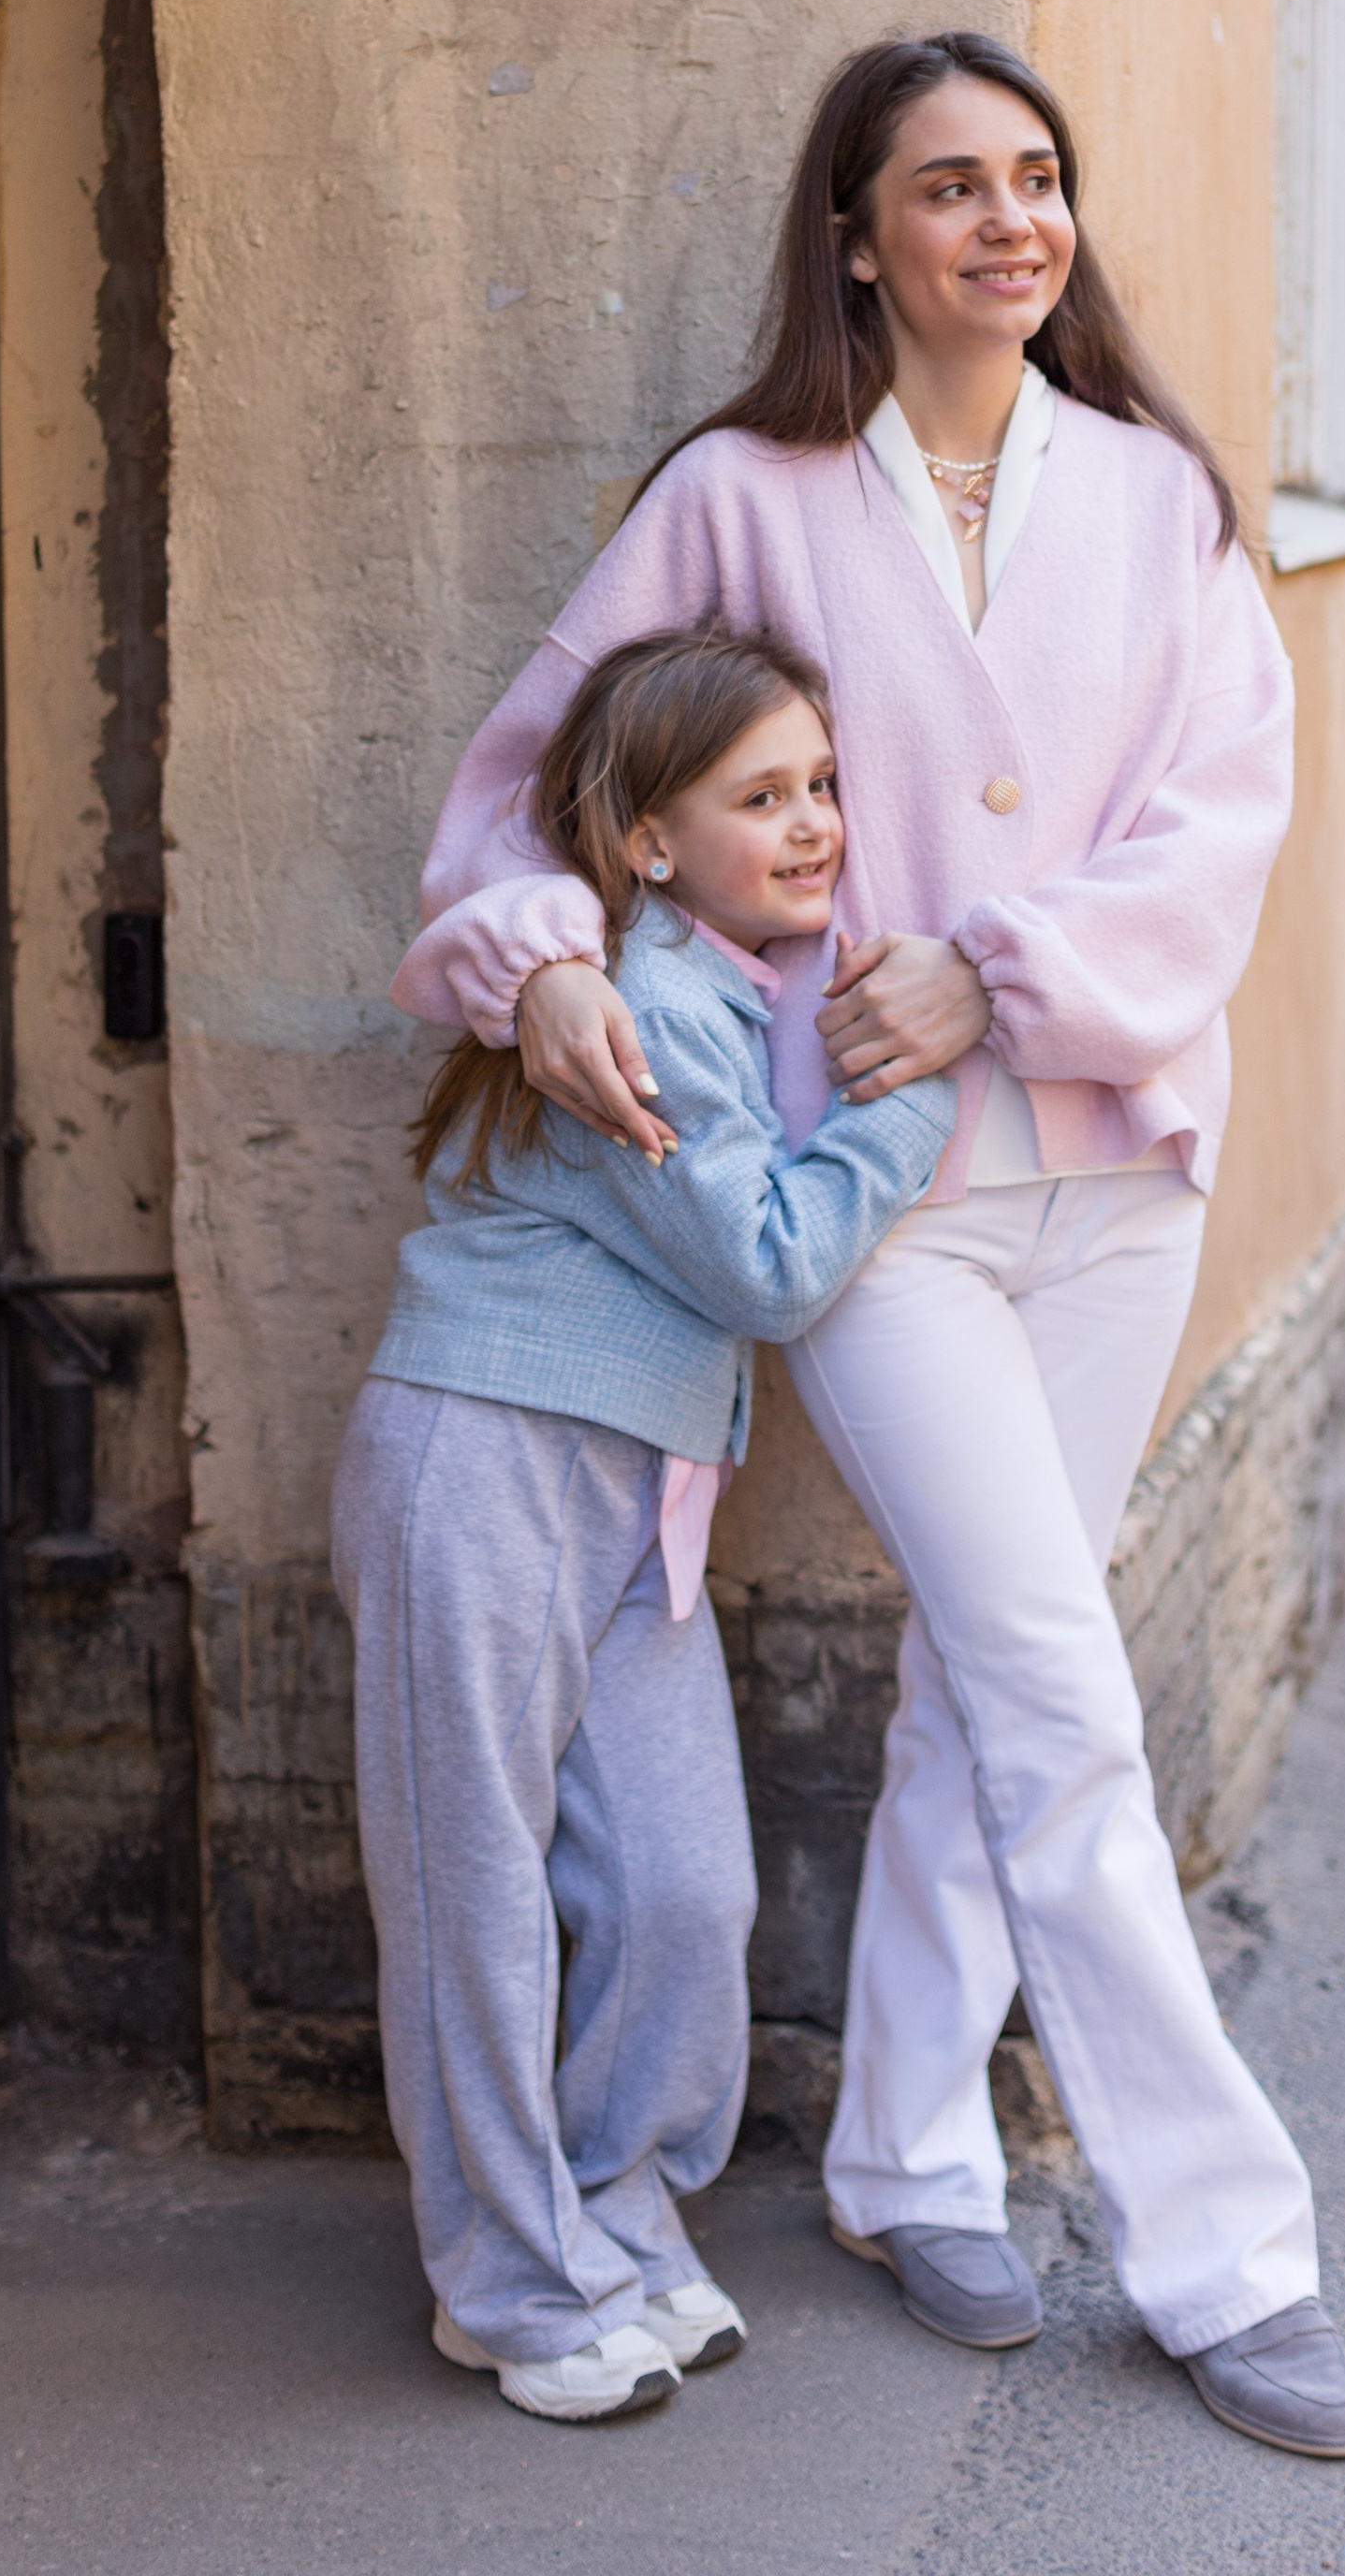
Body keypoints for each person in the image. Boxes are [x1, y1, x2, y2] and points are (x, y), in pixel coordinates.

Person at [392, 32, 1345, 2462]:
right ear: (857, 234)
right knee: (1061, 1684)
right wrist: (536, 972)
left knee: (984, 1657)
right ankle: (1229, 2248)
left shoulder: (1156, 500)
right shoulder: (745, 496)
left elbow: (1221, 820)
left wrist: (1010, 964)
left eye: (1038, 179)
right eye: (951, 187)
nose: (1008, 224)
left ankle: (910, 2148)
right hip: (887, 1200)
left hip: (1126, 1154)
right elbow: (525, 788)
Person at [334, 625, 955, 2426]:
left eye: (825, 785)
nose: (816, 823)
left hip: (639, 1497)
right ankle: (511, 2283)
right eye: (763, 795)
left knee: (688, 1885)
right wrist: (909, 1114)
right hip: (491, 1455)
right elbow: (766, 1263)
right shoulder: (639, 998)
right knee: (476, 1894)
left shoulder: (718, 986)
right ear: (649, 840)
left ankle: (614, 2209)